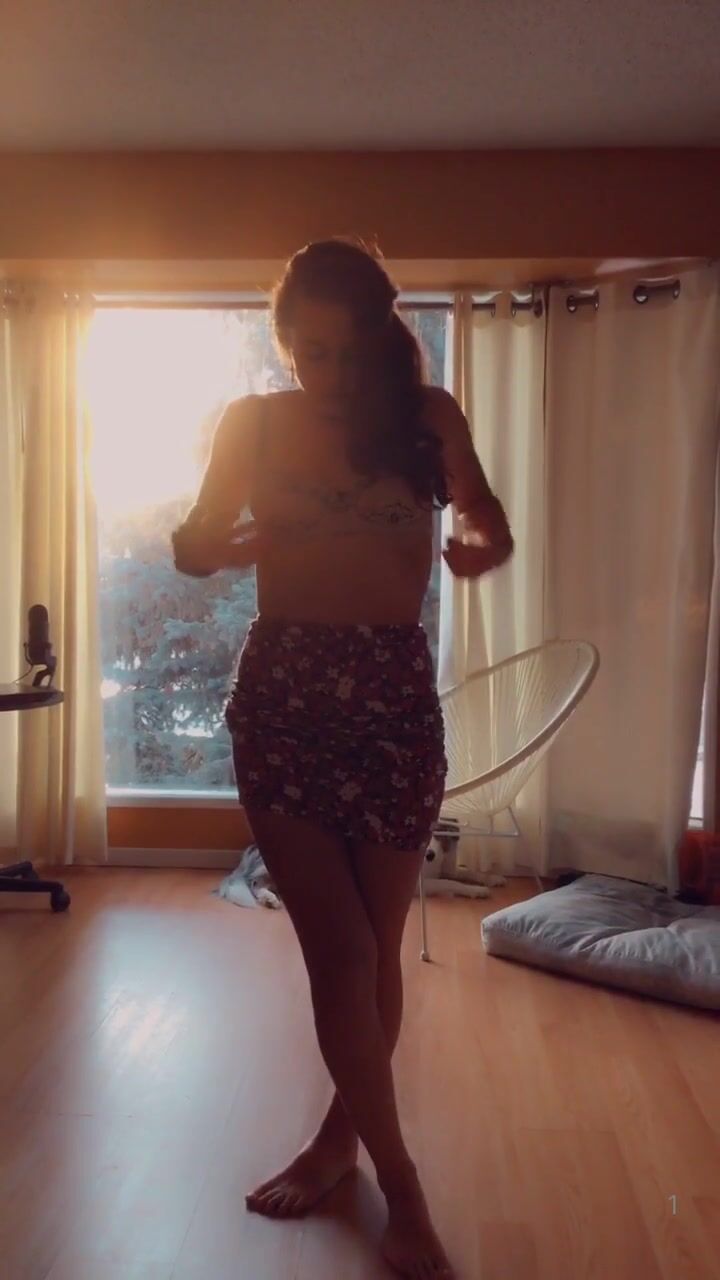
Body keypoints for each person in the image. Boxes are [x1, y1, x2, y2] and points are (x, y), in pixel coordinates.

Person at [171, 239, 514, 1279]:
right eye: (307, 350)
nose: (326, 370)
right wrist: (216, 548)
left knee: (376, 944)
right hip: (284, 698)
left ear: (379, 335)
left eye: (345, 348)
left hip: (393, 700)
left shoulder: (428, 417)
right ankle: (403, 1186)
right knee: (341, 955)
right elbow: (190, 539)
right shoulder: (252, 422)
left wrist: (485, 547)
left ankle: (336, 1139)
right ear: (284, 344)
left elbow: (487, 514)